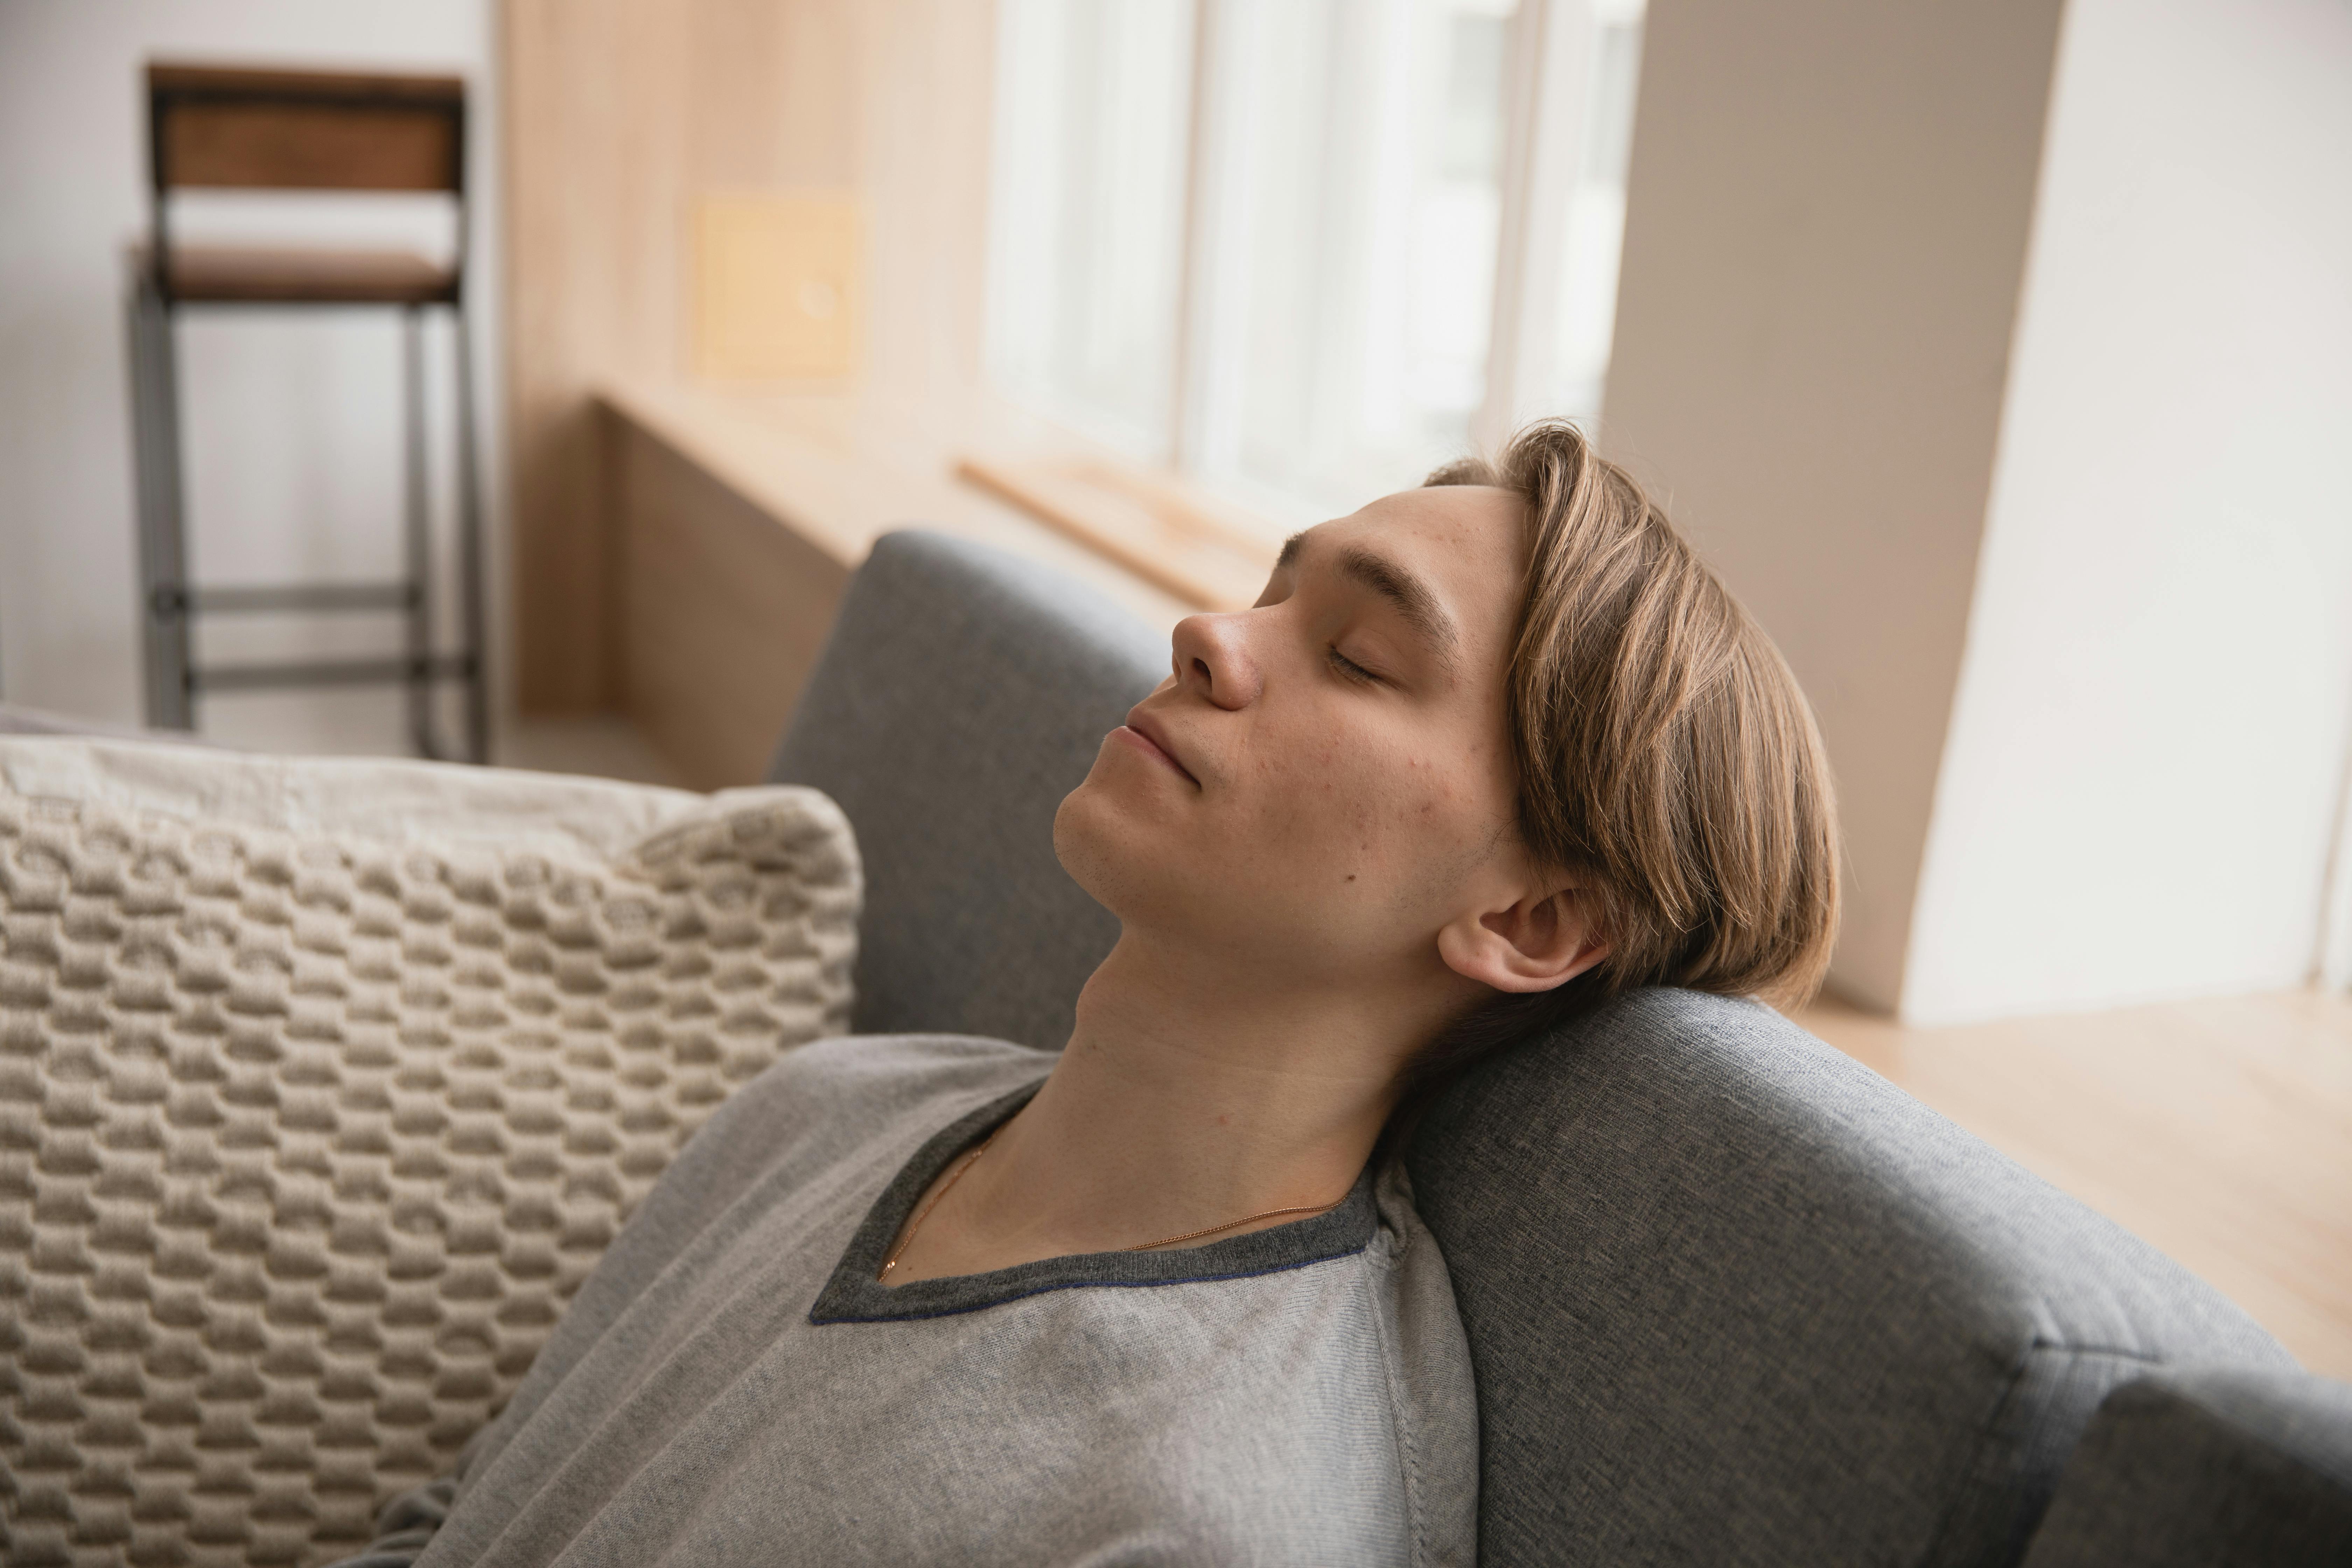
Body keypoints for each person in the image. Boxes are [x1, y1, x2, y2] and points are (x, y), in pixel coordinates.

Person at [340, 421, 1838, 1568]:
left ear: (1531, 917)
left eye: (1362, 656)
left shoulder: (1209, 1513)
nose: (1208, 633)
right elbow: (455, 1520)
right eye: (1268, 588)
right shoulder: (831, 1104)